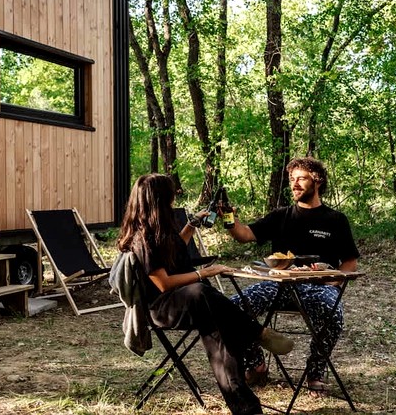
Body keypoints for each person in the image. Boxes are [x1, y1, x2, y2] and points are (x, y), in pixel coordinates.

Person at [116, 173, 294, 415]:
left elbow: (175, 251)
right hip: (161, 309)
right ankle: (256, 332)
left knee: (221, 333)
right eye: (171, 194)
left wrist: (191, 225)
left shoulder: (160, 231)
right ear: (159, 199)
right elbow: (163, 283)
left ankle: (247, 409)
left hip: (188, 303)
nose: (174, 197)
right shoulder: (142, 238)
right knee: (202, 291)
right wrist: (206, 272)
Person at [223, 157, 360, 395]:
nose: (294, 184)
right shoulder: (281, 216)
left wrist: (335, 279)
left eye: (301, 179)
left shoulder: (336, 220)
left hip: (319, 287)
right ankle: (256, 364)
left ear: (317, 181)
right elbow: (244, 234)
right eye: (292, 179)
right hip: (279, 285)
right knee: (232, 309)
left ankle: (315, 372)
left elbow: (350, 261)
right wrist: (228, 219)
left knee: (333, 315)